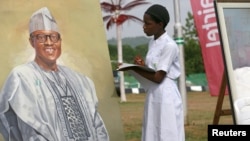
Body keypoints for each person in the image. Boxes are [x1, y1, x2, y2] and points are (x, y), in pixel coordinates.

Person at [0, 7, 109, 141]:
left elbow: (97, 125)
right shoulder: (22, 77)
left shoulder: (81, 80)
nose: (49, 42)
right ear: (31, 41)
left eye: (53, 37)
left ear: (60, 41)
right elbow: (18, 125)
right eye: (41, 37)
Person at [119, 4, 185, 141]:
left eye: (148, 24)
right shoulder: (152, 43)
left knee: (167, 131)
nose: (144, 27)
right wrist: (141, 65)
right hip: (153, 93)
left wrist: (133, 68)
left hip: (166, 94)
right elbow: (153, 69)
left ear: (160, 24)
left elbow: (158, 77)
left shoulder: (169, 45)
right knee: (152, 130)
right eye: (144, 23)